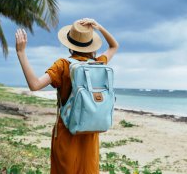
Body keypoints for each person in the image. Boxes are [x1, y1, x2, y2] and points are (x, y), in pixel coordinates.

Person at [15, 18, 119, 174]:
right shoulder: (98, 64)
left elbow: (34, 85)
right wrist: (99, 27)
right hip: (90, 133)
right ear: (91, 43)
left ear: (69, 44)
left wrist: (21, 52)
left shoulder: (63, 65)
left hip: (68, 131)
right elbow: (114, 46)